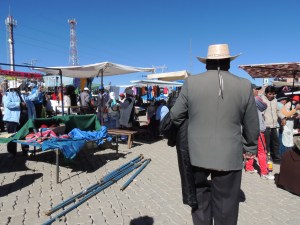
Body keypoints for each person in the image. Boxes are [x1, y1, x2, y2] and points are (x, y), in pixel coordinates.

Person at [170, 44, 259, 225]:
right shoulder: (244, 85)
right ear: (228, 62)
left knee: (200, 198)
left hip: (196, 153)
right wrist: (250, 146)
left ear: (206, 63)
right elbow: (251, 122)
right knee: (227, 204)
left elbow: (175, 115)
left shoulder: (191, 83)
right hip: (230, 154)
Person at [245, 84, 274, 180]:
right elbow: (264, 106)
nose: (257, 91)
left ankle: (249, 167)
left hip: (248, 129)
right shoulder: (255, 99)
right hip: (258, 128)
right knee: (262, 151)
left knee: (250, 148)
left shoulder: (244, 100)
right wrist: (259, 97)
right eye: (255, 89)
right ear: (251, 90)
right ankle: (264, 173)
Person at [262, 86, 286, 163]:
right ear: (266, 93)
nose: (272, 96)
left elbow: (278, 111)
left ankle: (276, 158)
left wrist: (283, 117)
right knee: (267, 144)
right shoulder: (262, 100)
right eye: (270, 94)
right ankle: (267, 158)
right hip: (266, 126)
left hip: (274, 126)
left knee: (276, 143)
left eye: (273, 94)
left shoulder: (275, 100)